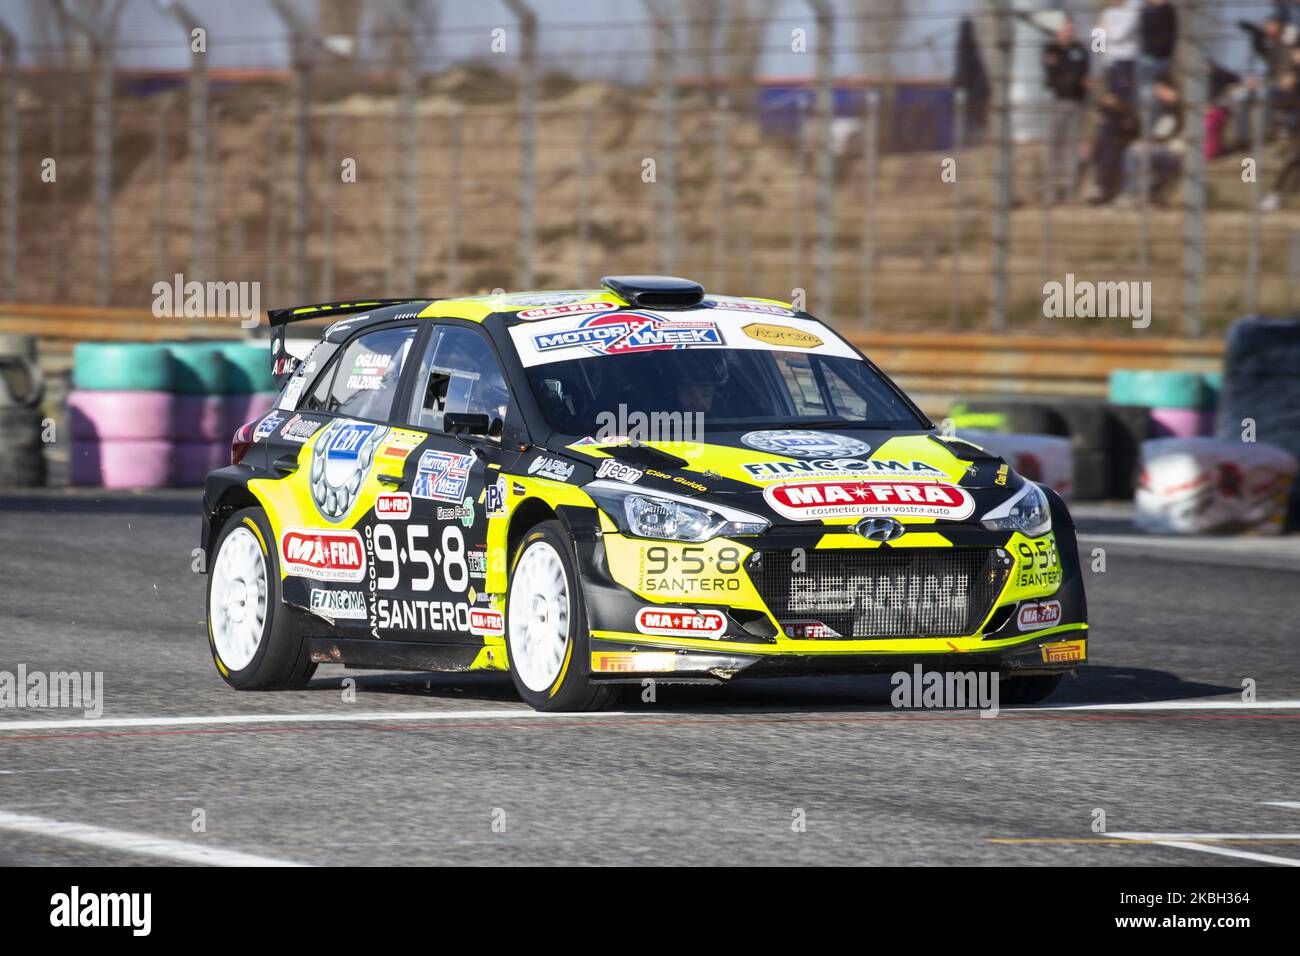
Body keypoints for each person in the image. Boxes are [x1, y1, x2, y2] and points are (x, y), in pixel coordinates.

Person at [1042, 18, 1090, 202]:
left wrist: (1066, 77)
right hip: (1058, 102)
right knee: (1053, 147)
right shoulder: (1050, 49)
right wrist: (1068, 78)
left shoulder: (1080, 50)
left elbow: (1080, 73)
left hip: (1077, 103)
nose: (1068, 33)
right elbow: (1050, 75)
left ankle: (1070, 193)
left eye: (1071, 30)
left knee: (1072, 148)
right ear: (1058, 31)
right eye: (1065, 30)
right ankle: (1050, 193)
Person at [1119, 74, 1184, 204]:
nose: (1156, 93)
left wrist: (1174, 103)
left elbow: (1175, 131)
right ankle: (1133, 192)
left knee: (1138, 153)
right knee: (1132, 151)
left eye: (1160, 89)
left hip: (1173, 149)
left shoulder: (1179, 107)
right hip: (1159, 146)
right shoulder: (1158, 106)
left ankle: (1139, 193)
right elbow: (1155, 132)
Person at [1098, 0, 1142, 103]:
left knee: (1124, 97)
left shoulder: (1131, 12)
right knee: (1110, 98)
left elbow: (1120, 35)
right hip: (1109, 62)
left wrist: (1105, 29)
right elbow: (1097, 40)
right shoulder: (1107, 13)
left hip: (1125, 60)